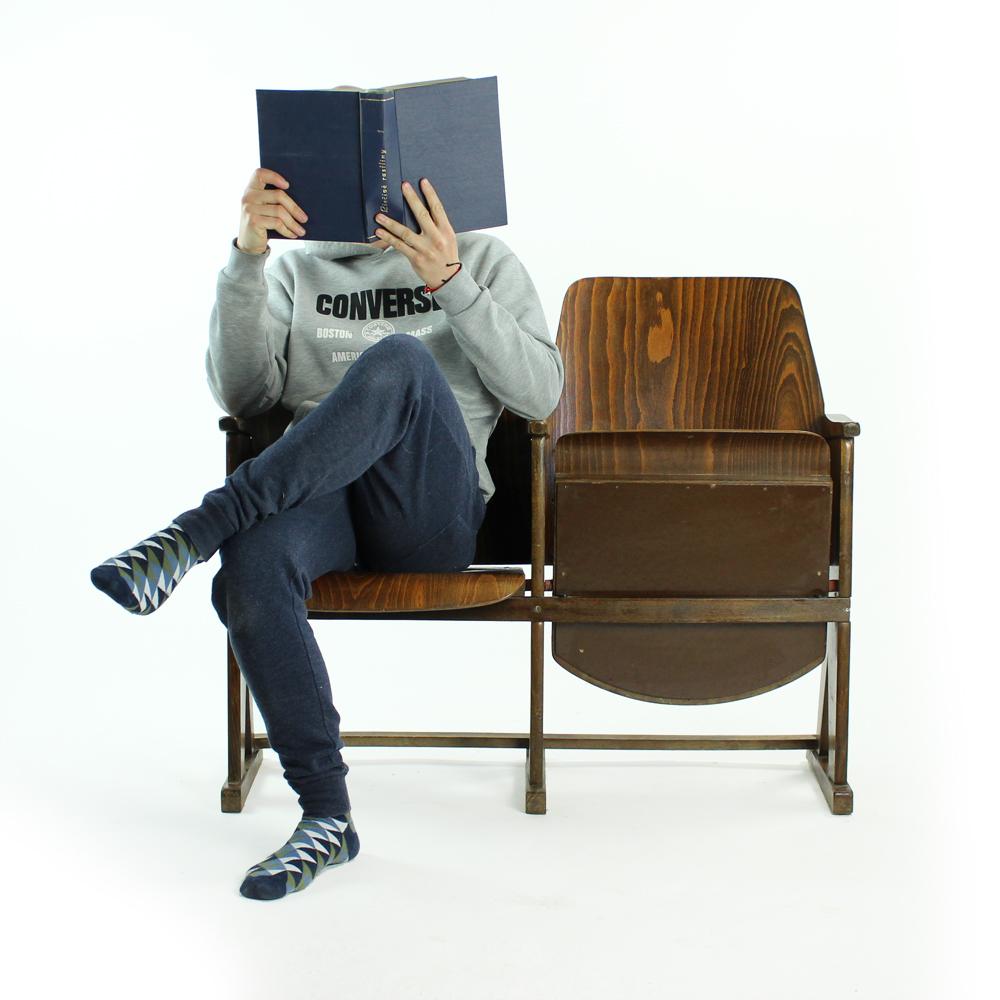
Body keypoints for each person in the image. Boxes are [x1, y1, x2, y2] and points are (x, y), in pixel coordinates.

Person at [89, 147, 565, 900]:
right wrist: (249, 256)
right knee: (250, 565)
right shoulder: (294, 272)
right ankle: (326, 817)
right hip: (322, 503)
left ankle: (195, 531)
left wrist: (450, 282)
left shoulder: (479, 257)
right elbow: (246, 399)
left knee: (401, 361)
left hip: (428, 518)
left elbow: (540, 396)